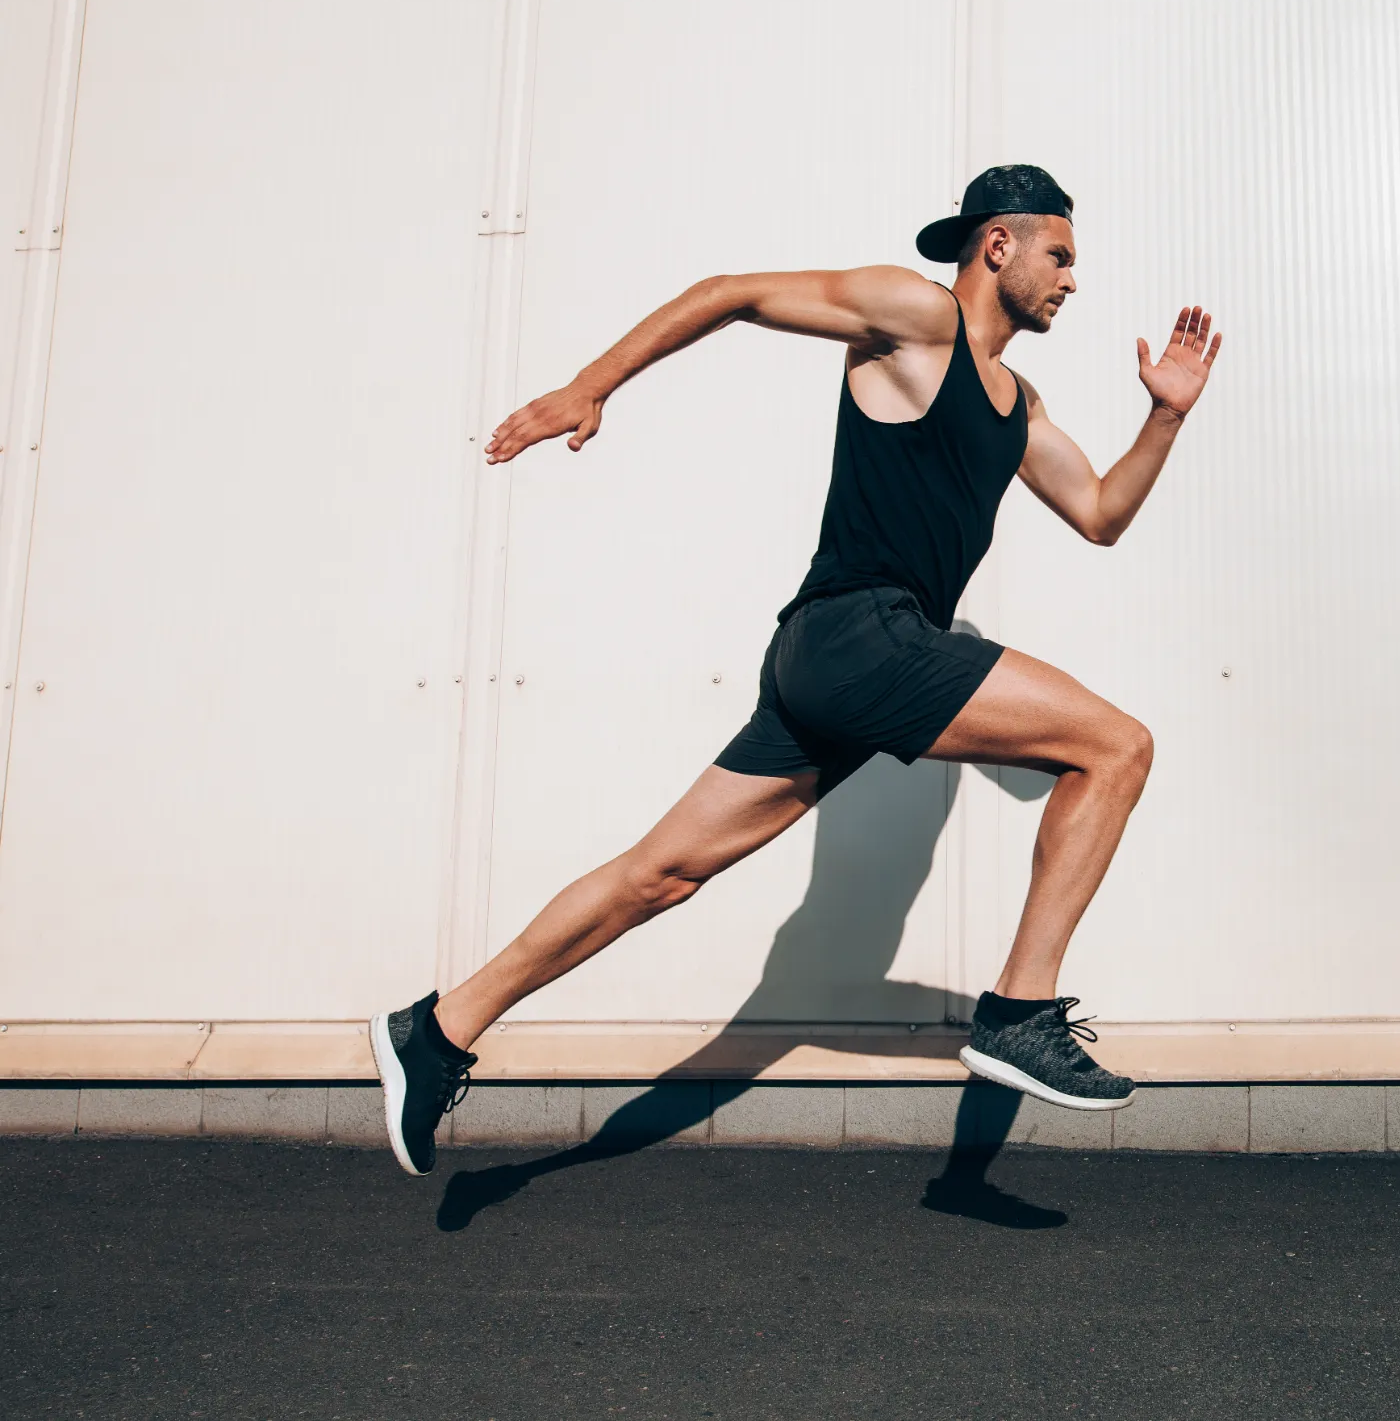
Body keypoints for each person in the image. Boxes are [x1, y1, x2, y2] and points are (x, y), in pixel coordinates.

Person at [369, 165, 1222, 1175]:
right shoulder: (915, 317)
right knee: (1116, 747)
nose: (1073, 281)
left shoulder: (1015, 404)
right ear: (998, 245)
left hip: (837, 658)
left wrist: (1165, 415)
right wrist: (587, 386)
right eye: (1061, 255)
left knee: (660, 874)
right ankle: (1019, 1012)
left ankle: (437, 1028)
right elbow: (728, 293)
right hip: (863, 634)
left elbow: (1100, 515)